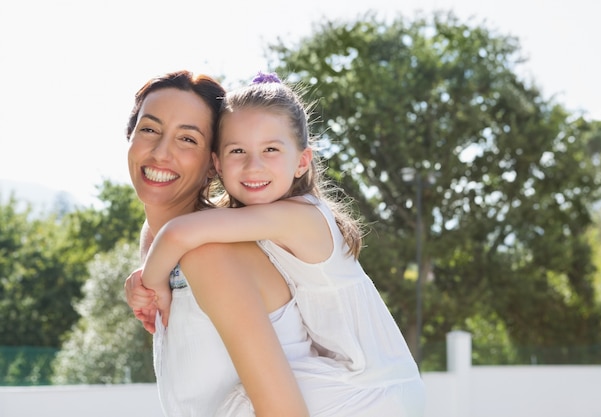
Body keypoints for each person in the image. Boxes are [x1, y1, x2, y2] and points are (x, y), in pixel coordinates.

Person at [139, 71, 426, 416]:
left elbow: (176, 233)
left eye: (271, 149)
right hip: (357, 379)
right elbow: (164, 228)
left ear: (302, 161)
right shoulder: (255, 218)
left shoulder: (297, 216)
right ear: (217, 162)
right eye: (237, 150)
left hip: (367, 387)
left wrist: (150, 282)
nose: (253, 165)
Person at [124, 70, 310, 417]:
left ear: (214, 165)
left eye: (188, 139)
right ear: (130, 137)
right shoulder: (157, 242)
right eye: (149, 129)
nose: (162, 153)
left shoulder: (210, 254)